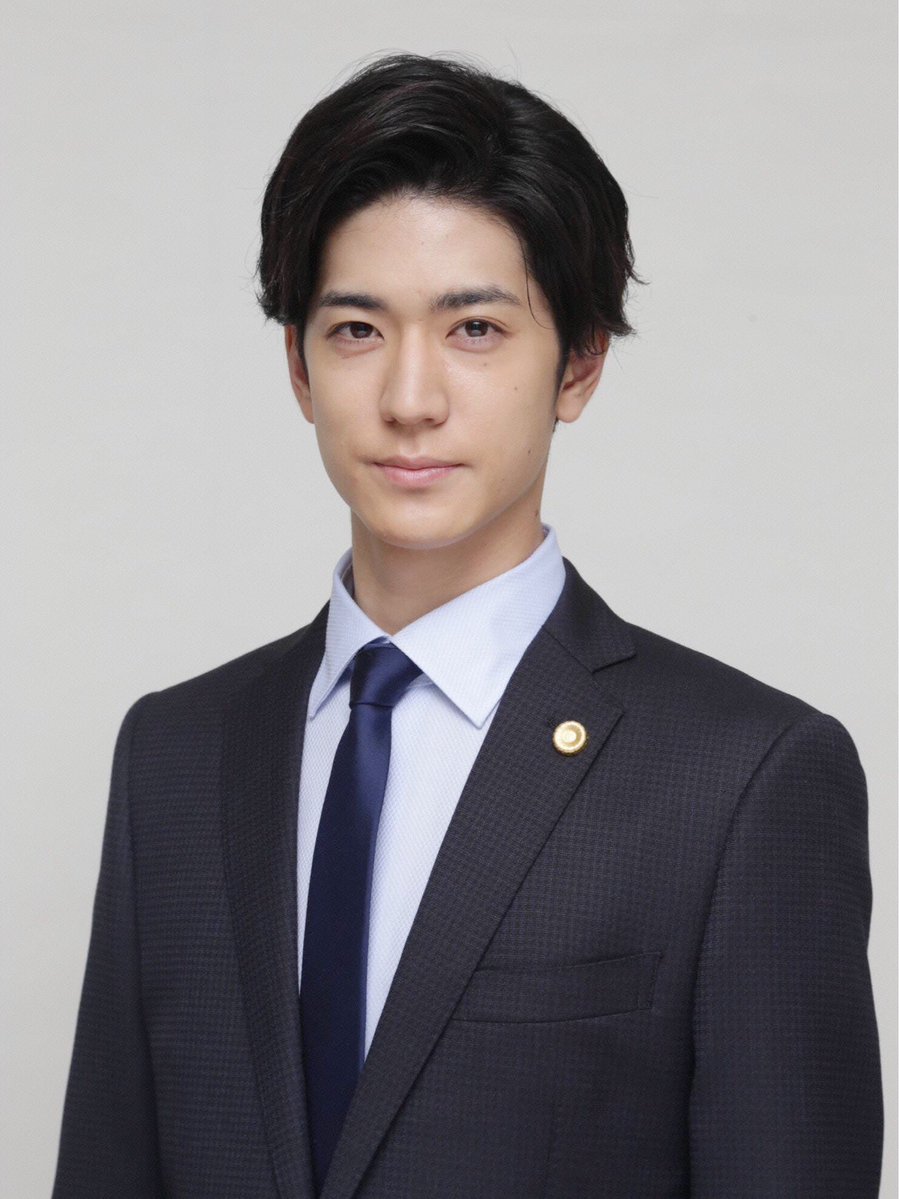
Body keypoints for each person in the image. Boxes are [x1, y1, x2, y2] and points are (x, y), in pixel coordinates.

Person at [52, 53, 882, 1198]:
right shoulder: (175, 755)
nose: (409, 399)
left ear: (578, 364)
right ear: (297, 364)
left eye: (475, 329)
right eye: (356, 329)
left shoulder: (741, 777)